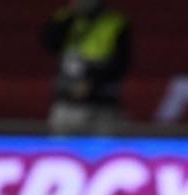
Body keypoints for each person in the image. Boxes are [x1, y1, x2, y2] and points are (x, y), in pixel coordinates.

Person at [40, 0, 131, 135]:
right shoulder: (64, 18)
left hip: (102, 107)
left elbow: (122, 63)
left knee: (102, 146)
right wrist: (70, 16)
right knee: (62, 146)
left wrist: (92, 82)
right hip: (67, 105)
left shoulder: (115, 23)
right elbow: (49, 44)